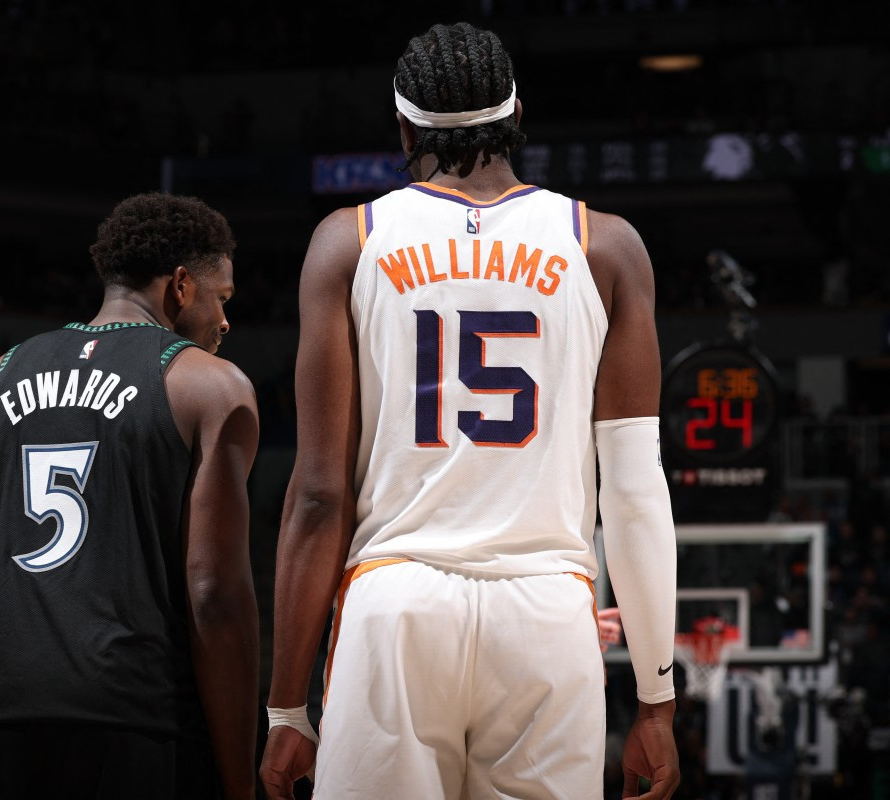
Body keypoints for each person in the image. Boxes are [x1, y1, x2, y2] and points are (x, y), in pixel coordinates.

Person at [260, 22, 679, 800]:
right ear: (519, 118)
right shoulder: (607, 246)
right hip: (549, 611)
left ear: (402, 127)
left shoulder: (347, 242)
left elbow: (318, 496)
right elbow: (633, 491)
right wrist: (655, 698)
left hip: (397, 602)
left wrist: (288, 706)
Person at [0, 193, 259, 800]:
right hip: (137, 725)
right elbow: (214, 594)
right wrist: (238, 781)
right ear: (181, 286)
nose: (226, 322)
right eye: (223, 298)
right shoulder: (210, 387)